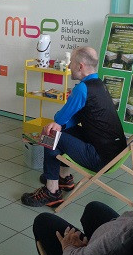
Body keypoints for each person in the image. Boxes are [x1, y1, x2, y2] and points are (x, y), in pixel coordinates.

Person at [21, 46, 126, 207]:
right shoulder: (99, 84)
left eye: (71, 63)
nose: (69, 66)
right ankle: (63, 178)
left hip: (100, 158)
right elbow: (76, 118)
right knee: (62, 130)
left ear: (80, 66)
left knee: (50, 134)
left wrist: (59, 124)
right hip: (114, 153)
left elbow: (59, 118)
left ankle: (51, 192)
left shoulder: (82, 89)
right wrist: (62, 125)